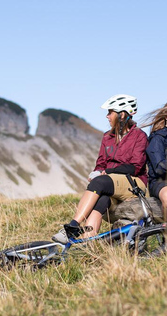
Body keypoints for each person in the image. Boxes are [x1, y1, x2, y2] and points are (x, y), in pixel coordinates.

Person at [52, 94, 148, 244]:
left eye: (110, 112)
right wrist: (96, 172)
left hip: (134, 184)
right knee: (101, 199)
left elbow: (135, 167)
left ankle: (72, 227)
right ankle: (86, 244)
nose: (107, 116)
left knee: (100, 182)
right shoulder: (107, 137)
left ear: (122, 114)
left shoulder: (139, 136)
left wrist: (107, 173)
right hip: (110, 185)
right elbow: (101, 163)